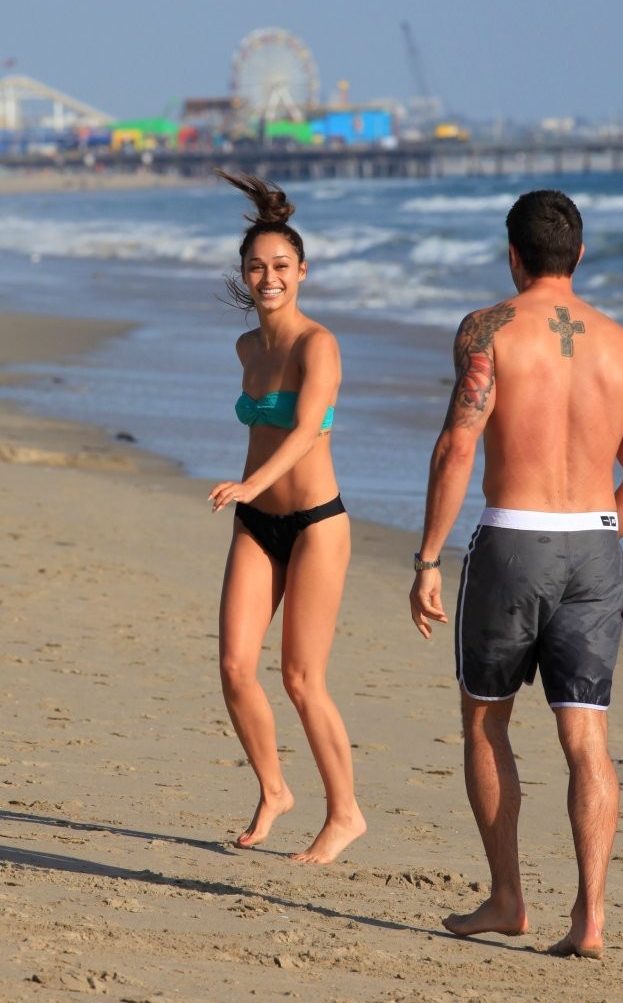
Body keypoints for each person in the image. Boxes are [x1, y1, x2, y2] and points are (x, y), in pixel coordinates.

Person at [409, 190, 623, 958]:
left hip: (512, 544)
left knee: (487, 720)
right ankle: (590, 919)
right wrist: (593, 537)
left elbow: (458, 445)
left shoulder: (487, 331)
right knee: (588, 739)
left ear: (512, 255)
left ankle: (508, 897)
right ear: (579, 256)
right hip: (595, 545)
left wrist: (425, 557)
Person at [209, 170, 365, 863]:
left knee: (302, 678)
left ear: (302, 271)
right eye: (256, 267)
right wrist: (251, 497)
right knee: (235, 667)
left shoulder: (317, 345)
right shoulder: (248, 349)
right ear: (244, 275)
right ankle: (275, 789)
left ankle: (346, 814)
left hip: (315, 526)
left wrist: (249, 485)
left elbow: (304, 432)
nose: (268, 277)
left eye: (280, 266)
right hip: (258, 525)